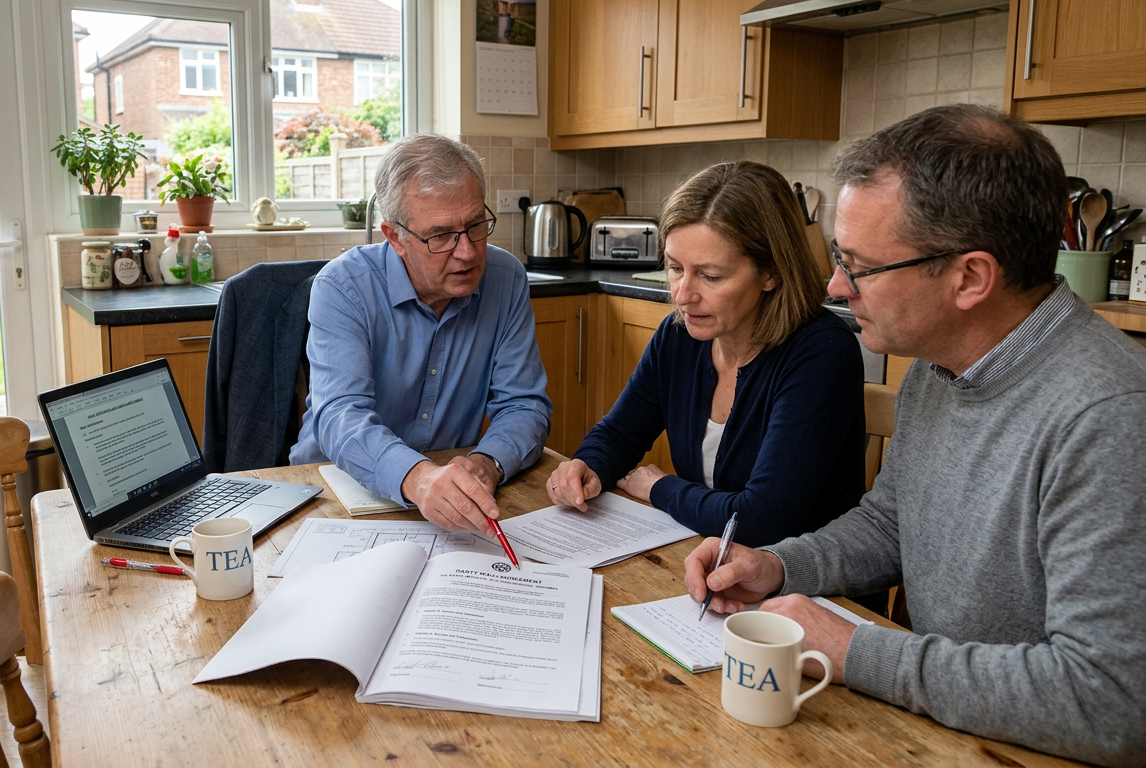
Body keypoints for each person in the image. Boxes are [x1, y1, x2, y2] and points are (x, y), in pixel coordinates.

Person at [684, 105, 1146, 766]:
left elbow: (1110, 703)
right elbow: (891, 526)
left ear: (970, 278)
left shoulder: (1108, 416)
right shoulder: (939, 366)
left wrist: (851, 649)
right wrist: (780, 564)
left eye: (859, 266)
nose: (835, 287)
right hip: (939, 730)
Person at [546, 161, 866, 547]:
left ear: (771, 273)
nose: (682, 296)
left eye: (711, 276)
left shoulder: (822, 353)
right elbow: (619, 433)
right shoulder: (680, 335)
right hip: (711, 559)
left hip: (805, 589)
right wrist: (587, 465)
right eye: (675, 268)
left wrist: (660, 488)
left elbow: (760, 520)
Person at [290, 134, 552, 533]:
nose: (467, 251)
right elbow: (341, 414)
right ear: (395, 237)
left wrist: (489, 463)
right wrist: (417, 477)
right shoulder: (343, 286)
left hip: (452, 497)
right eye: (441, 235)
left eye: (476, 225)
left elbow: (524, 404)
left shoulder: (506, 277)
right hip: (328, 491)